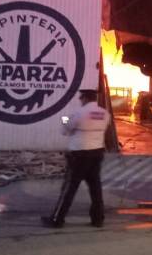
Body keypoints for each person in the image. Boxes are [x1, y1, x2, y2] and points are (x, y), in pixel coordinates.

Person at [42, 89, 110, 228]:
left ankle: (57, 219)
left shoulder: (79, 113)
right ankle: (98, 219)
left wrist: (65, 119)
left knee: (69, 189)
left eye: (81, 98)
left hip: (79, 156)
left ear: (84, 98)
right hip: (97, 153)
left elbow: (65, 130)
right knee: (95, 189)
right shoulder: (105, 114)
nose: (80, 101)